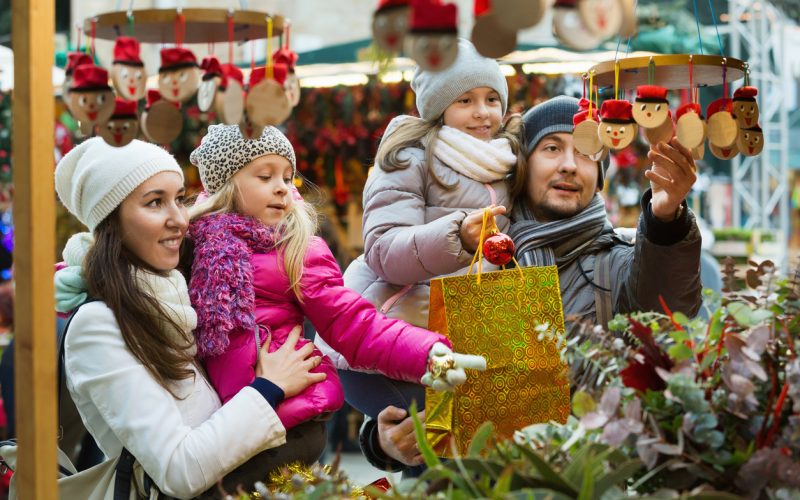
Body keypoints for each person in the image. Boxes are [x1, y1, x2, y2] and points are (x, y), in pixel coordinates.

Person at [185, 125, 484, 467]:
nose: (282, 188)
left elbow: (353, 322)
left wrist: (427, 354)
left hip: (287, 420)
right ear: (225, 184)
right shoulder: (195, 246)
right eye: (265, 176)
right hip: (226, 420)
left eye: (287, 177)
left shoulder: (294, 250)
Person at [53, 137, 324, 498]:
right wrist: (268, 388)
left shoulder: (183, 295)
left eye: (179, 198)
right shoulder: (97, 325)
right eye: (154, 203)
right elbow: (178, 471)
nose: (180, 219)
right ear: (110, 221)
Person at [339, 38, 527, 472]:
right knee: (435, 456)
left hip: (468, 333)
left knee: (467, 455)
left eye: (491, 99)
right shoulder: (410, 156)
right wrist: (457, 236)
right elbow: (383, 248)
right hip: (397, 334)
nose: (482, 112)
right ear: (438, 107)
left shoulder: (509, 161)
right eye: (465, 100)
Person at [508, 95, 702, 329]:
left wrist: (665, 222)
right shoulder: (486, 256)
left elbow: (666, 309)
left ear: (599, 178)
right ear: (523, 166)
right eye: (552, 148)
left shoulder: (615, 265)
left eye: (585, 152)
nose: (569, 165)